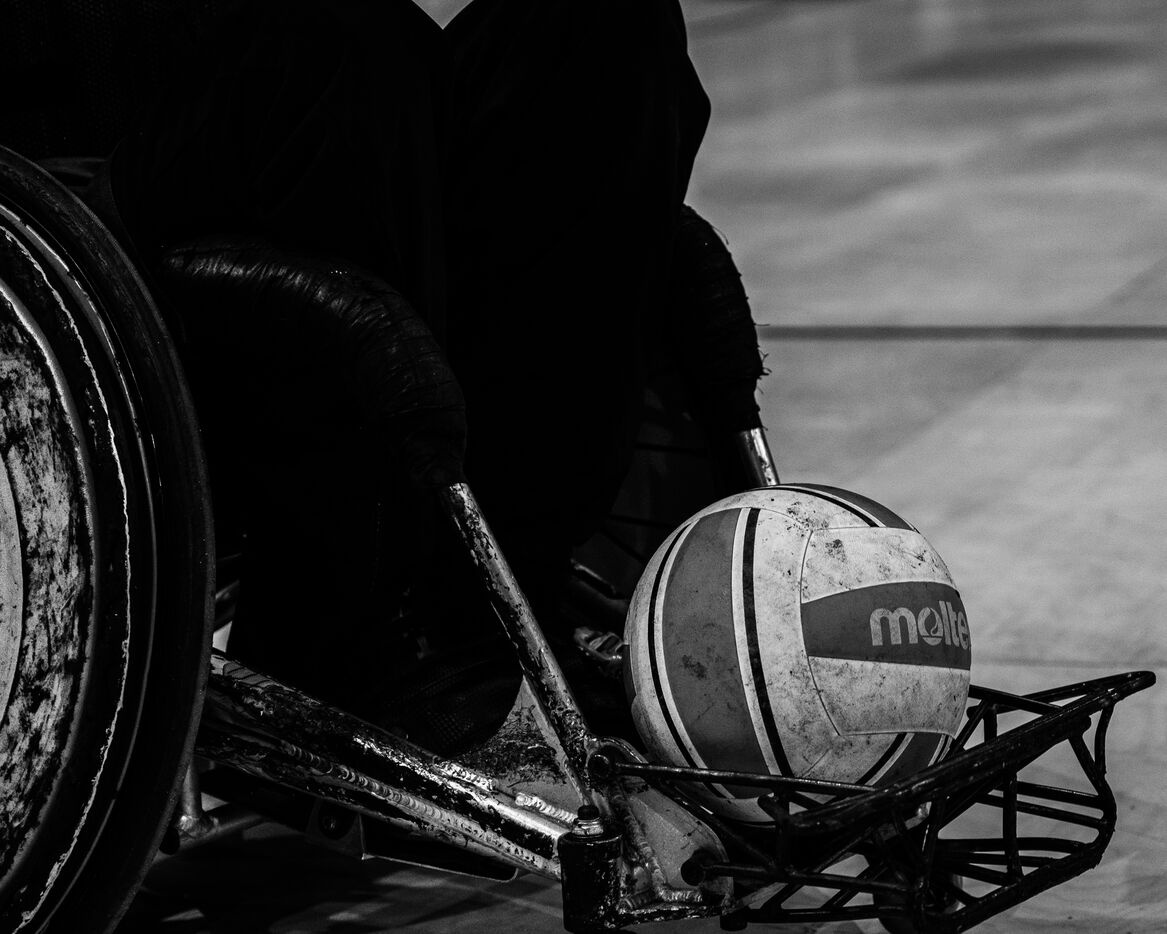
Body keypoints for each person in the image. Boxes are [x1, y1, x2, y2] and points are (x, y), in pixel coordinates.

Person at [96, 0, 757, 747]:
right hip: (86, 169)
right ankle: (364, 618)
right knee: (335, 39)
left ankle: (510, 583)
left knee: (600, 27)